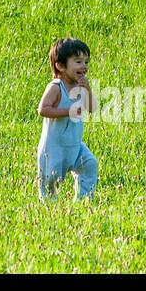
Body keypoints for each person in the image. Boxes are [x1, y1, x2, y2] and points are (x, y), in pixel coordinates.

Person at [36, 37, 99, 201]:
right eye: (78, 61)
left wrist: (87, 88)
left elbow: (92, 108)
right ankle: (49, 213)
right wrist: (67, 111)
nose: (84, 66)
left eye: (86, 62)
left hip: (75, 145)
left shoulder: (80, 86)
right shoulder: (56, 87)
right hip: (54, 149)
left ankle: (85, 202)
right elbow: (43, 109)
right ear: (61, 66)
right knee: (49, 182)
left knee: (90, 165)